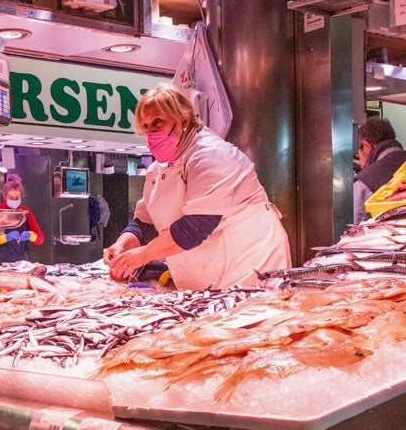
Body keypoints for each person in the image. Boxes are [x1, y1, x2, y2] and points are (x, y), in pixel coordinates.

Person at [104, 84, 291, 289]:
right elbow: (145, 224)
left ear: (183, 120)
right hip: (205, 280)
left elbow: (195, 228)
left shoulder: (210, 154)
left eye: (158, 121)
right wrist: (122, 245)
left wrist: (143, 255)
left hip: (248, 270)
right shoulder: (158, 169)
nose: (152, 132)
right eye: (146, 126)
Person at [353, 118, 406, 224]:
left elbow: (355, 229)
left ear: (366, 146)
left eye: (359, 154)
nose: (362, 165)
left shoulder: (365, 182)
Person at [0, 175, 43, 263]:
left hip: (22, 262)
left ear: (21, 196)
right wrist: (4, 238)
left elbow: (40, 239)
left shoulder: (26, 211)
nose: (14, 200)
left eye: (17, 198)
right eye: (11, 198)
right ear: (5, 196)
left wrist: (30, 235)